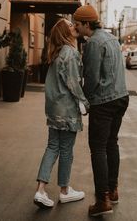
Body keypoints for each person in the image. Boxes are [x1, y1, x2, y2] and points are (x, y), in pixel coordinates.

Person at [73, 5, 129, 217]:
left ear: (87, 24)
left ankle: (102, 200)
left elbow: (92, 79)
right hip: (121, 98)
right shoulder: (112, 38)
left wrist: (84, 101)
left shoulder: (93, 43)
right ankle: (113, 191)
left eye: (77, 24)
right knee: (111, 144)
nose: (76, 27)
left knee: (98, 149)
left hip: (104, 103)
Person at [34, 18, 89, 209]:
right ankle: (65, 191)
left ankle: (40, 190)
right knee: (66, 150)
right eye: (70, 26)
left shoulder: (56, 54)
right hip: (67, 110)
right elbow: (73, 83)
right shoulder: (71, 54)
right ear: (65, 34)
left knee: (52, 147)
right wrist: (84, 103)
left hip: (53, 109)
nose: (75, 26)